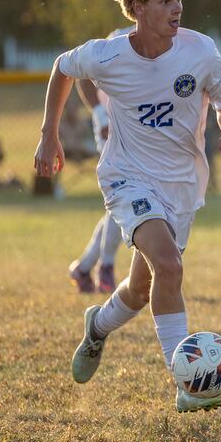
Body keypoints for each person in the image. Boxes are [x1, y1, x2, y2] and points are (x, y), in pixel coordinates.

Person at [33, 0, 221, 413]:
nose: (176, 9)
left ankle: (97, 327)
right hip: (127, 178)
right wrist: (49, 135)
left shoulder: (200, 51)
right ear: (135, 8)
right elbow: (62, 68)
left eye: (178, 0)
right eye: (164, 1)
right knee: (170, 268)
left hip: (182, 187)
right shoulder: (108, 54)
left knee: (141, 289)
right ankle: (186, 380)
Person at [67, 26, 134, 294]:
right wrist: (101, 115)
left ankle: (84, 268)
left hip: (141, 132)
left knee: (119, 205)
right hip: (112, 128)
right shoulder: (121, 38)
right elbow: (83, 74)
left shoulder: (170, 39)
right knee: (123, 200)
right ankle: (105, 267)